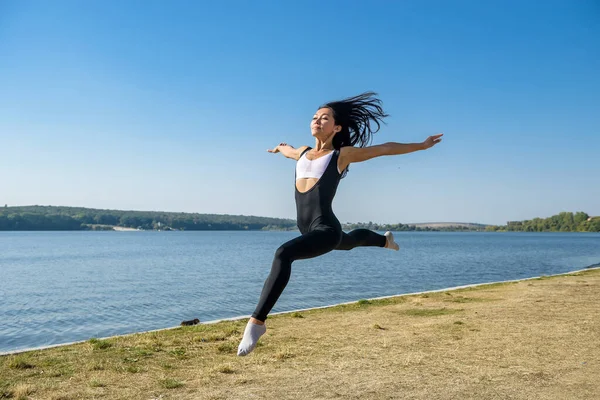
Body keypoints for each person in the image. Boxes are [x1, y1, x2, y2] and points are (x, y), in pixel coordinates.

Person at [237, 92, 443, 356]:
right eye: (314, 117)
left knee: (283, 254)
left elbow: (385, 149)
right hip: (309, 230)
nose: (317, 121)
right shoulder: (302, 153)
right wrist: (280, 148)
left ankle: (257, 322)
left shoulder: (341, 155)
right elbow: (288, 151)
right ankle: (384, 241)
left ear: (336, 128)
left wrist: (422, 145)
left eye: (324, 118)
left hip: (325, 229)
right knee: (349, 242)